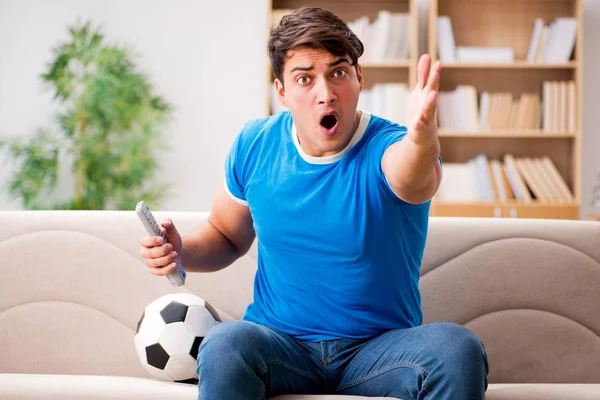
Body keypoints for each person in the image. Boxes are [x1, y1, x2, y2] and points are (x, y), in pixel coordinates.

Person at [139, 7, 489, 400]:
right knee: (225, 343)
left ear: (359, 78)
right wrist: (182, 250)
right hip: (282, 347)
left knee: (456, 349)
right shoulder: (255, 144)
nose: (326, 93)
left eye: (338, 73)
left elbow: (412, 175)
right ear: (282, 92)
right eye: (305, 78)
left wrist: (423, 139)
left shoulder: (391, 145)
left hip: (379, 351)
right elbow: (226, 235)